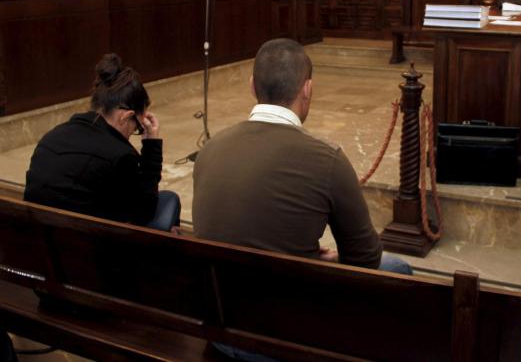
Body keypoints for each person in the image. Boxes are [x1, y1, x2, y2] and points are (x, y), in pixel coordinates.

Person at [193, 38, 410, 359]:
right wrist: (328, 261)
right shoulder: (327, 159)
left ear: (252, 86)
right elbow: (365, 262)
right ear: (307, 89)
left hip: (221, 327)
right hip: (283, 340)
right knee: (397, 268)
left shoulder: (210, 149)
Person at [24, 54, 180, 231]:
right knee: (169, 200)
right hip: (86, 244)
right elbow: (144, 212)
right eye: (137, 127)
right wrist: (152, 145)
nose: (133, 133)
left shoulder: (51, 137)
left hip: (34, 239)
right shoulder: (120, 155)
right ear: (126, 116)